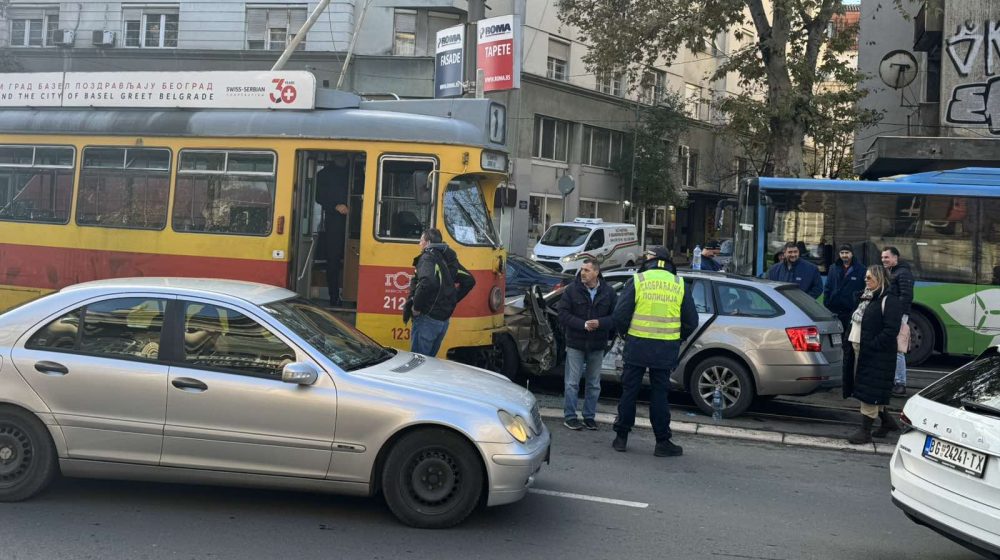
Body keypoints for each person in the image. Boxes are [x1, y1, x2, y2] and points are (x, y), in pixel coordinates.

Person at [611, 247, 698, 456]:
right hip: (665, 348)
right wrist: (677, 337)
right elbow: (691, 321)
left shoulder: (638, 280)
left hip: (637, 345)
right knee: (659, 395)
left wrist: (626, 335)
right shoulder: (679, 284)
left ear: (652, 260)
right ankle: (662, 442)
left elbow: (620, 315)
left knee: (629, 392)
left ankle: (621, 438)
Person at [843, 265, 902, 444]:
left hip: (875, 352)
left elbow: (891, 330)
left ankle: (865, 431)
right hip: (859, 348)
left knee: (868, 388)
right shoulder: (867, 297)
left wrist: (873, 345)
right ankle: (887, 422)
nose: (866, 280)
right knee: (866, 385)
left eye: (869, 277)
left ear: (880, 278)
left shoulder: (888, 300)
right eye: (865, 277)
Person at [557, 259, 617, 431]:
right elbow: (562, 314)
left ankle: (589, 416)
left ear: (596, 272)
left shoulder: (608, 292)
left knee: (593, 384)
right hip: (576, 343)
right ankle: (570, 416)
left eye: (587, 270)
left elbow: (616, 317)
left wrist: (600, 323)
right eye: (582, 269)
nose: (583, 273)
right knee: (572, 383)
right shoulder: (572, 290)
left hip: (597, 345)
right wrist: (582, 324)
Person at [403, 228, 457, 357]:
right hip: (442, 319)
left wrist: (416, 307)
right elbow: (468, 280)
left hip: (427, 319)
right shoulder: (444, 257)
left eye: (421, 241)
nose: (419, 244)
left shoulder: (427, 258)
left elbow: (427, 282)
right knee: (429, 362)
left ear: (427, 242)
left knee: (418, 361)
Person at [316, 156, 350, 307]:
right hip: (334, 221)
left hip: (357, 222)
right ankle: (334, 297)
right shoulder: (324, 174)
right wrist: (335, 206)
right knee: (333, 259)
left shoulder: (355, 171)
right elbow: (319, 197)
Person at [882, 246, 914, 396]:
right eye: (882, 257)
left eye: (887, 257)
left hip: (898, 316)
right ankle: (894, 381)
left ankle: (900, 383)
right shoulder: (894, 272)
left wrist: (895, 314)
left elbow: (906, 297)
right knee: (891, 348)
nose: (884, 260)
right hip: (893, 314)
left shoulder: (903, 273)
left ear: (896, 258)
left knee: (897, 349)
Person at [823, 244, 866, 334]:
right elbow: (827, 287)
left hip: (850, 310)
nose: (844, 255)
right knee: (834, 334)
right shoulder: (833, 268)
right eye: (842, 253)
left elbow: (864, 289)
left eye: (847, 252)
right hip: (834, 310)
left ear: (852, 254)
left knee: (847, 336)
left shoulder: (861, 269)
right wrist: (827, 303)